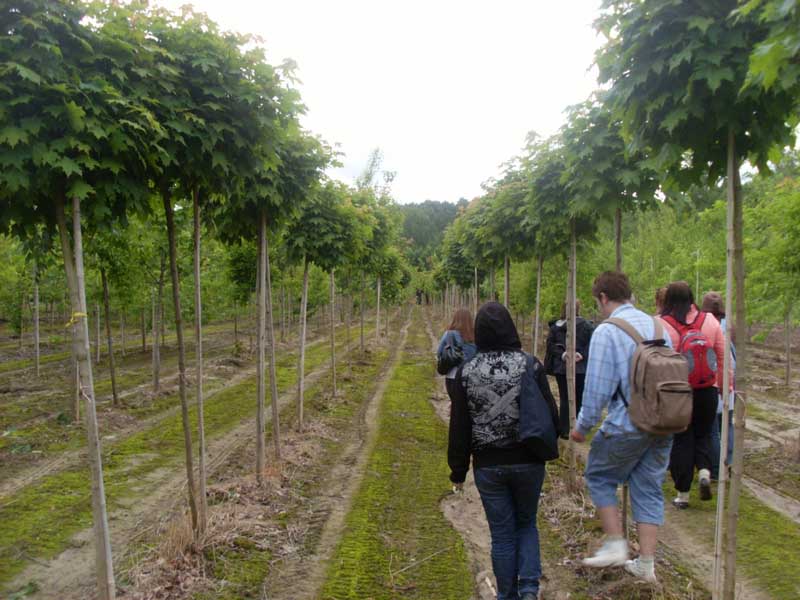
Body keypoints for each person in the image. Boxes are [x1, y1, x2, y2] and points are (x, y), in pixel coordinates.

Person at [448, 302, 559, 600]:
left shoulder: (468, 371)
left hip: (488, 465)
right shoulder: (529, 364)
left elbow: (459, 425)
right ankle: (529, 590)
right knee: (526, 524)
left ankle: (507, 594)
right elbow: (551, 413)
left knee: (502, 535)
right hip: (529, 461)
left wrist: (458, 470)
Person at [570, 271, 673, 584]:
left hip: (629, 423)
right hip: (664, 421)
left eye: (598, 302)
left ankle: (616, 543)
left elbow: (598, 388)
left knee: (599, 475)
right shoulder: (660, 326)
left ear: (603, 297)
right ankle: (646, 564)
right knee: (648, 488)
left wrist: (582, 427)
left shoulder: (607, 331)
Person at [660, 282, 727, 508]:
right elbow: (721, 355)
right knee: (705, 434)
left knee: (682, 439)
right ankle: (705, 473)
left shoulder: (662, 324)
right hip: (707, 389)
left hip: (679, 392)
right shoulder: (710, 320)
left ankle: (683, 494)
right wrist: (724, 386)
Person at [544, 301, 594, 438]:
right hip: (574, 367)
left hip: (569, 367)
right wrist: (569, 355)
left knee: (566, 398)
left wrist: (574, 354)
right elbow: (551, 345)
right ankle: (572, 428)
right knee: (574, 397)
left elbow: (549, 345)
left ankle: (566, 429)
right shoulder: (559, 327)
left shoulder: (582, 326)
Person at [701, 291, 735, 480]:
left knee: (713, 430)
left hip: (716, 384)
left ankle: (717, 469)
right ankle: (727, 464)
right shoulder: (729, 325)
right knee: (727, 426)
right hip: (728, 384)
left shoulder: (707, 327)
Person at [437, 308, 477, 402]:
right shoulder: (476, 335)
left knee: (456, 407)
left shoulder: (449, 334)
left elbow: (439, 353)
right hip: (472, 377)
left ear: (455, 319)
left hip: (453, 376)